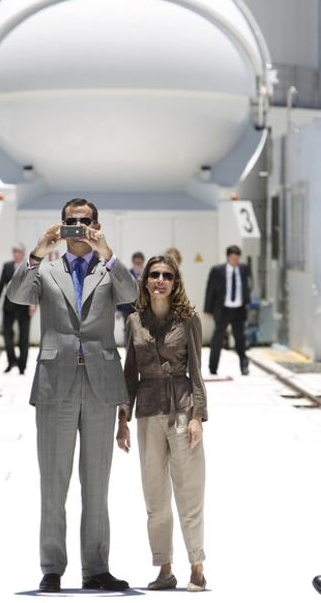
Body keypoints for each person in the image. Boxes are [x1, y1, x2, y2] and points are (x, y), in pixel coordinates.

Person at [6, 197, 138, 593]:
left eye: (85, 221)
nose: (78, 227)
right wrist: (36, 251)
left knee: (96, 484)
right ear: (61, 225)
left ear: (96, 224)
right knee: (54, 484)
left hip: (99, 385)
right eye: (71, 221)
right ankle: (52, 568)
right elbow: (16, 297)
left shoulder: (107, 268)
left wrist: (108, 253)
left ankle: (96, 568)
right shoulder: (45, 270)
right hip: (54, 385)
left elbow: (132, 294)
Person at [116, 254, 208, 592]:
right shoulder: (134, 321)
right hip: (148, 411)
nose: (160, 280)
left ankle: (196, 566)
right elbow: (129, 373)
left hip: (182, 408)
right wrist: (122, 417)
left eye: (166, 275)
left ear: (175, 282)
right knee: (155, 495)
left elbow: (197, 371)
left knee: (189, 490)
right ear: (145, 281)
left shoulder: (188, 320)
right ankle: (164, 568)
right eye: (154, 274)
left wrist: (198, 416)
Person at [204, 244, 251, 375]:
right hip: (223, 310)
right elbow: (210, 290)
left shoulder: (244, 269)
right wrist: (208, 309)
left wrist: (247, 302)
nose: (236, 261)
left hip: (238, 310)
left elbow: (248, 286)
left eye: (237, 258)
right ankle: (212, 367)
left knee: (240, 340)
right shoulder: (217, 271)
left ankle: (244, 366)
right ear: (228, 257)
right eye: (233, 258)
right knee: (217, 340)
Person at [0, 243, 35, 375]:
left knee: (24, 337)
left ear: (23, 253)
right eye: (14, 251)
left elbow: (33, 285)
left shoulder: (29, 266)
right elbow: (1, 284)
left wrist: (33, 303)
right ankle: (11, 361)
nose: (16, 253)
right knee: (7, 335)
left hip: (24, 306)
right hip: (9, 306)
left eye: (18, 251)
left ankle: (22, 365)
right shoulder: (7, 266)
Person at [117, 251, 145, 327]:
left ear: (143, 263)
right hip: (127, 307)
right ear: (133, 262)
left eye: (140, 263)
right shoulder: (127, 274)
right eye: (136, 263)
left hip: (141, 308)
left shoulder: (146, 275)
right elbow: (121, 290)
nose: (138, 265)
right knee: (127, 330)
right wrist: (118, 309)